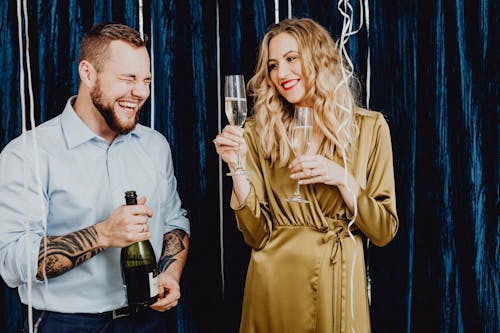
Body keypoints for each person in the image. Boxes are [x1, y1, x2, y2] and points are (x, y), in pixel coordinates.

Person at [0, 23, 190, 332]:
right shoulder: (28, 153)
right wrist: (103, 234)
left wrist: (169, 274)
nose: (140, 91)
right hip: (66, 323)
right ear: (88, 74)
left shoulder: (155, 145)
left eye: (146, 80)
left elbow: (173, 223)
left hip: (150, 321)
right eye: (128, 78)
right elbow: (11, 261)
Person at [213, 18, 398, 332]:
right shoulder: (257, 133)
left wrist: (343, 179)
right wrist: (235, 165)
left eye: (291, 59)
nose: (281, 74)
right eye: (272, 65)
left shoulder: (370, 127)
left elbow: (383, 230)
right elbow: (255, 235)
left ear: (319, 59)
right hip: (274, 284)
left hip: (338, 278)